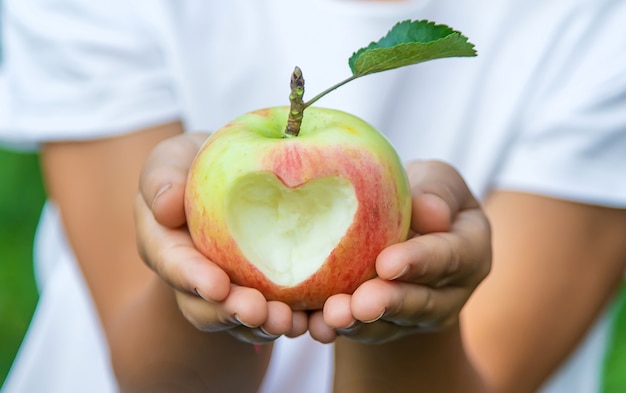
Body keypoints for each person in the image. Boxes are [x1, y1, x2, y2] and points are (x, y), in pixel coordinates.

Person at [1, 0, 626, 392]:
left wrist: (411, 325)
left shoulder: (598, 28)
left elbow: (493, 373)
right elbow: (157, 380)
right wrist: (186, 279)